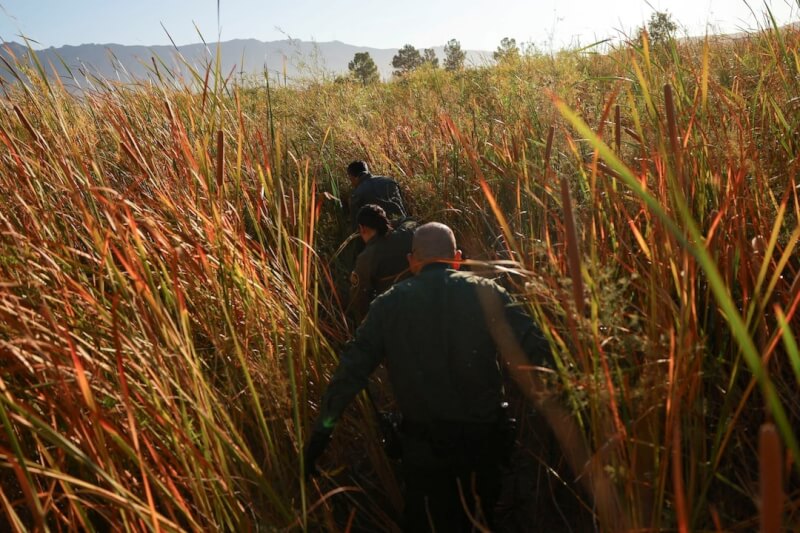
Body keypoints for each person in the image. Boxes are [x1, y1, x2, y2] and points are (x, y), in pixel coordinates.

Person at [304, 222, 555, 532]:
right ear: (458, 258)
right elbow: (541, 353)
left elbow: (349, 373)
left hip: (424, 457)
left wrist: (321, 434)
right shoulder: (488, 293)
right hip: (485, 448)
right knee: (482, 520)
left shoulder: (388, 304)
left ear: (412, 261)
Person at [349, 204, 418, 322]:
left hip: (394, 315)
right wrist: (391, 224)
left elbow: (359, 299)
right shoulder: (406, 233)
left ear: (362, 228)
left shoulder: (366, 257)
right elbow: (410, 221)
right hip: (419, 301)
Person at [346, 160, 408, 231]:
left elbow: (357, 227)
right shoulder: (389, 181)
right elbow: (403, 206)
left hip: (382, 236)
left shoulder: (356, 194)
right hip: (404, 229)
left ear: (352, 177)